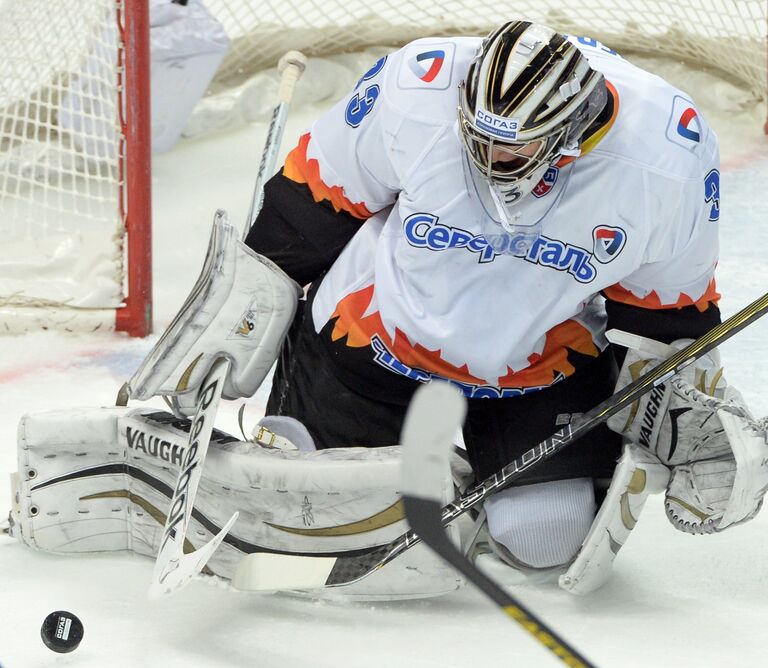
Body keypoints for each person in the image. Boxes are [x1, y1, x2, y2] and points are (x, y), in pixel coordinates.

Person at [128, 21, 767, 588]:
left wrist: (690, 417)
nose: (483, 160)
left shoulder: (665, 161)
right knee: (310, 505)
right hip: (374, 335)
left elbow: (666, 318)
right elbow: (313, 202)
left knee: (544, 543)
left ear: (566, 136)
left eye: (507, 150)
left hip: (536, 365)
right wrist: (236, 318)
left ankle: (468, 489)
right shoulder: (420, 87)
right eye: (474, 138)